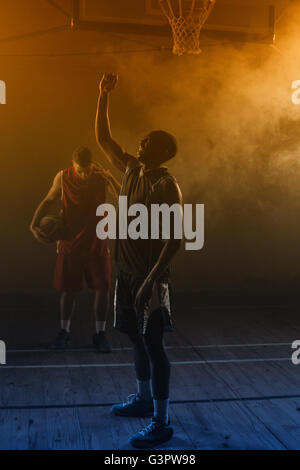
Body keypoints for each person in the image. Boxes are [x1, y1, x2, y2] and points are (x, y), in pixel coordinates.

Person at [95, 73, 183, 448]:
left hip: (151, 279)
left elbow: (176, 238)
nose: (140, 142)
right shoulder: (131, 169)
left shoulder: (166, 185)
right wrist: (102, 96)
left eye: (148, 141)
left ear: (161, 151)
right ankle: (144, 400)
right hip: (127, 273)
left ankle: (161, 421)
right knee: (134, 340)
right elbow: (103, 139)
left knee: (153, 344)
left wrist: (150, 281)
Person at [30, 146, 121, 352]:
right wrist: (33, 225)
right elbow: (48, 200)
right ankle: (64, 331)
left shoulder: (100, 177)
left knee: (103, 289)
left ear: (92, 166)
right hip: (70, 242)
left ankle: (100, 334)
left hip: (97, 240)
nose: (84, 174)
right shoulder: (62, 177)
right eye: (80, 170)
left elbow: (122, 197)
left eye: (87, 170)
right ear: (74, 165)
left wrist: (110, 177)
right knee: (68, 290)